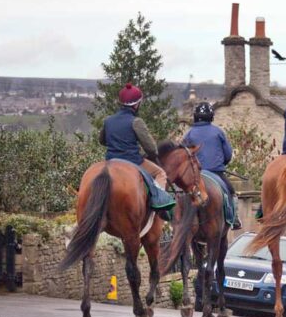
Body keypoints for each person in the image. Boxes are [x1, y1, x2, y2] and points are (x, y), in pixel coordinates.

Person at [99, 82, 172, 219]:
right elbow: (151, 148)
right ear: (137, 104)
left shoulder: (108, 121)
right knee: (160, 173)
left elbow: (102, 141)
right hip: (132, 161)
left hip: (111, 161)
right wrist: (151, 155)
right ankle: (159, 204)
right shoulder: (136, 121)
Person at [183, 102, 241, 230]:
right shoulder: (218, 132)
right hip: (216, 173)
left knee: (179, 194)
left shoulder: (188, 134)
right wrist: (220, 164)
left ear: (195, 117)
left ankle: (174, 222)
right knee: (231, 192)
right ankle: (235, 218)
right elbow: (228, 155)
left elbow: (183, 156)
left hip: (194, 176)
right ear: (211, 117)